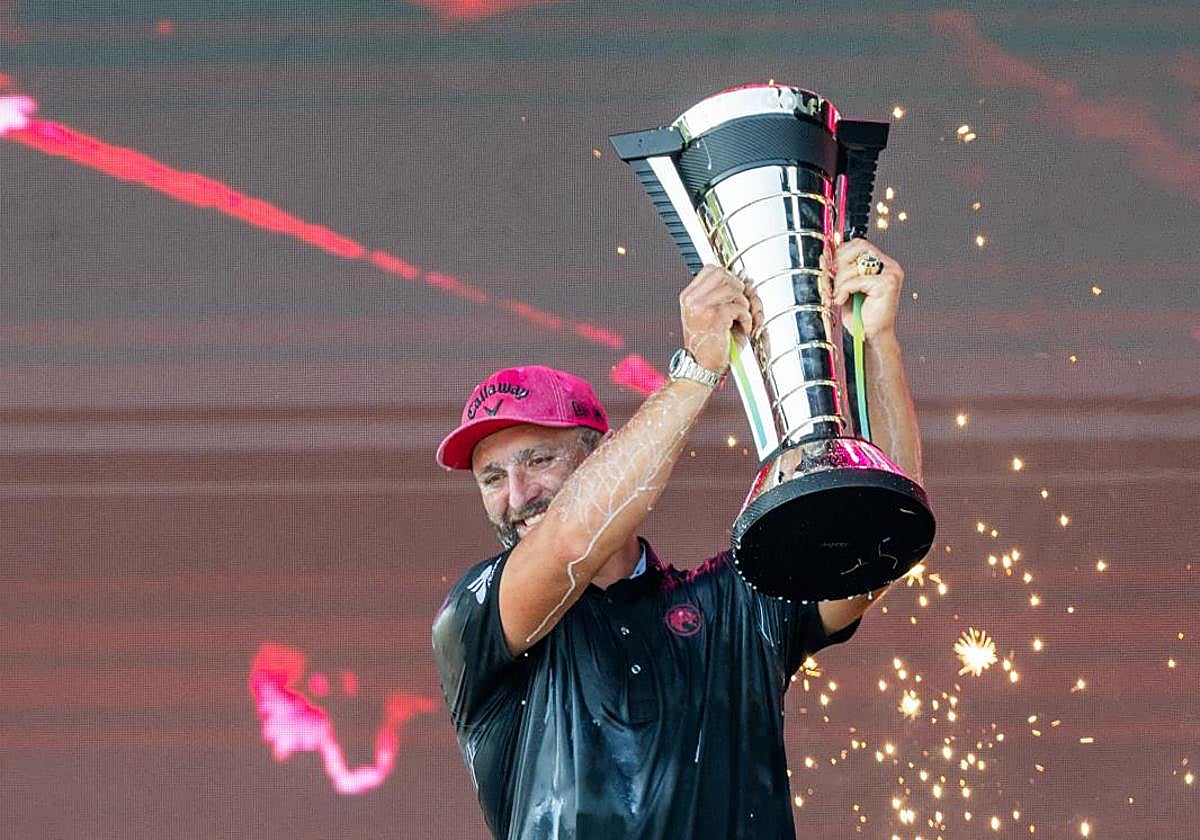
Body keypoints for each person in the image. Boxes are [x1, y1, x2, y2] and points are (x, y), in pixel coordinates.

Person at [432, 238, 925, 839]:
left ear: (603, 456)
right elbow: (568, 543)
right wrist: (698, 369)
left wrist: (873, 342)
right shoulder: (474, 620)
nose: (516, 494)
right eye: (492, 478)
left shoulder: (734, 605)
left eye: (538, 460)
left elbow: (878, 537)